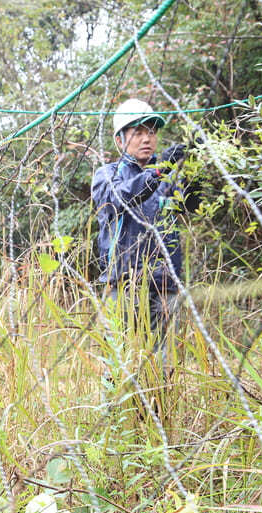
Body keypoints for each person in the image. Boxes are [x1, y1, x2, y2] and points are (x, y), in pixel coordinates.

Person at [91, 98, 187, 341]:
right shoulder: (107, 175)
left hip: (165, 286)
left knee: (164, 358)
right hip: (123, 284)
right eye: (138, 133)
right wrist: (158, 171)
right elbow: (120, 198)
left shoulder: (169, 178)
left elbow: (190, 207)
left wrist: (196, 169)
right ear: (119, 140)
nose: (147, 139)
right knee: (119, 357)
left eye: (151, 132)